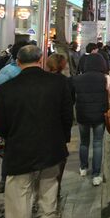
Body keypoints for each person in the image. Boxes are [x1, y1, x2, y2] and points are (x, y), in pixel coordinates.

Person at [0, 45, 73, 218]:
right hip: (51, 149)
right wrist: (63, 139)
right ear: (40, 60)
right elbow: (67, 117)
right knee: (48, 199)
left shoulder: (7, 88)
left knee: (18, 202)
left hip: (19, 151)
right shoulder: (58, 83)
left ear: (18, 62)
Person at [71, 53, 110, 186]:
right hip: (99, 115)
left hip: (82, 114)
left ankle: (83, 168)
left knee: (84, 142)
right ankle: (96, 175)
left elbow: (72, 96)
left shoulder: (77, 79)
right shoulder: (105, 78)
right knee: (97, 143)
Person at [0, 41, 29, 193]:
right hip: (16, 119)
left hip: (5, 119)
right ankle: (11, 181)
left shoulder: (5, 70)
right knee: (15, 151)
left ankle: (5, 179)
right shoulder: (18, 72)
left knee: (8, 152)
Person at [46, 53, 71, 197]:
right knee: (57, 163)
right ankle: (55, 191)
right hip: (58, 131)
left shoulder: (41, 80)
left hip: (41, 131)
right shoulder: (64, 82)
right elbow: (67, 111)